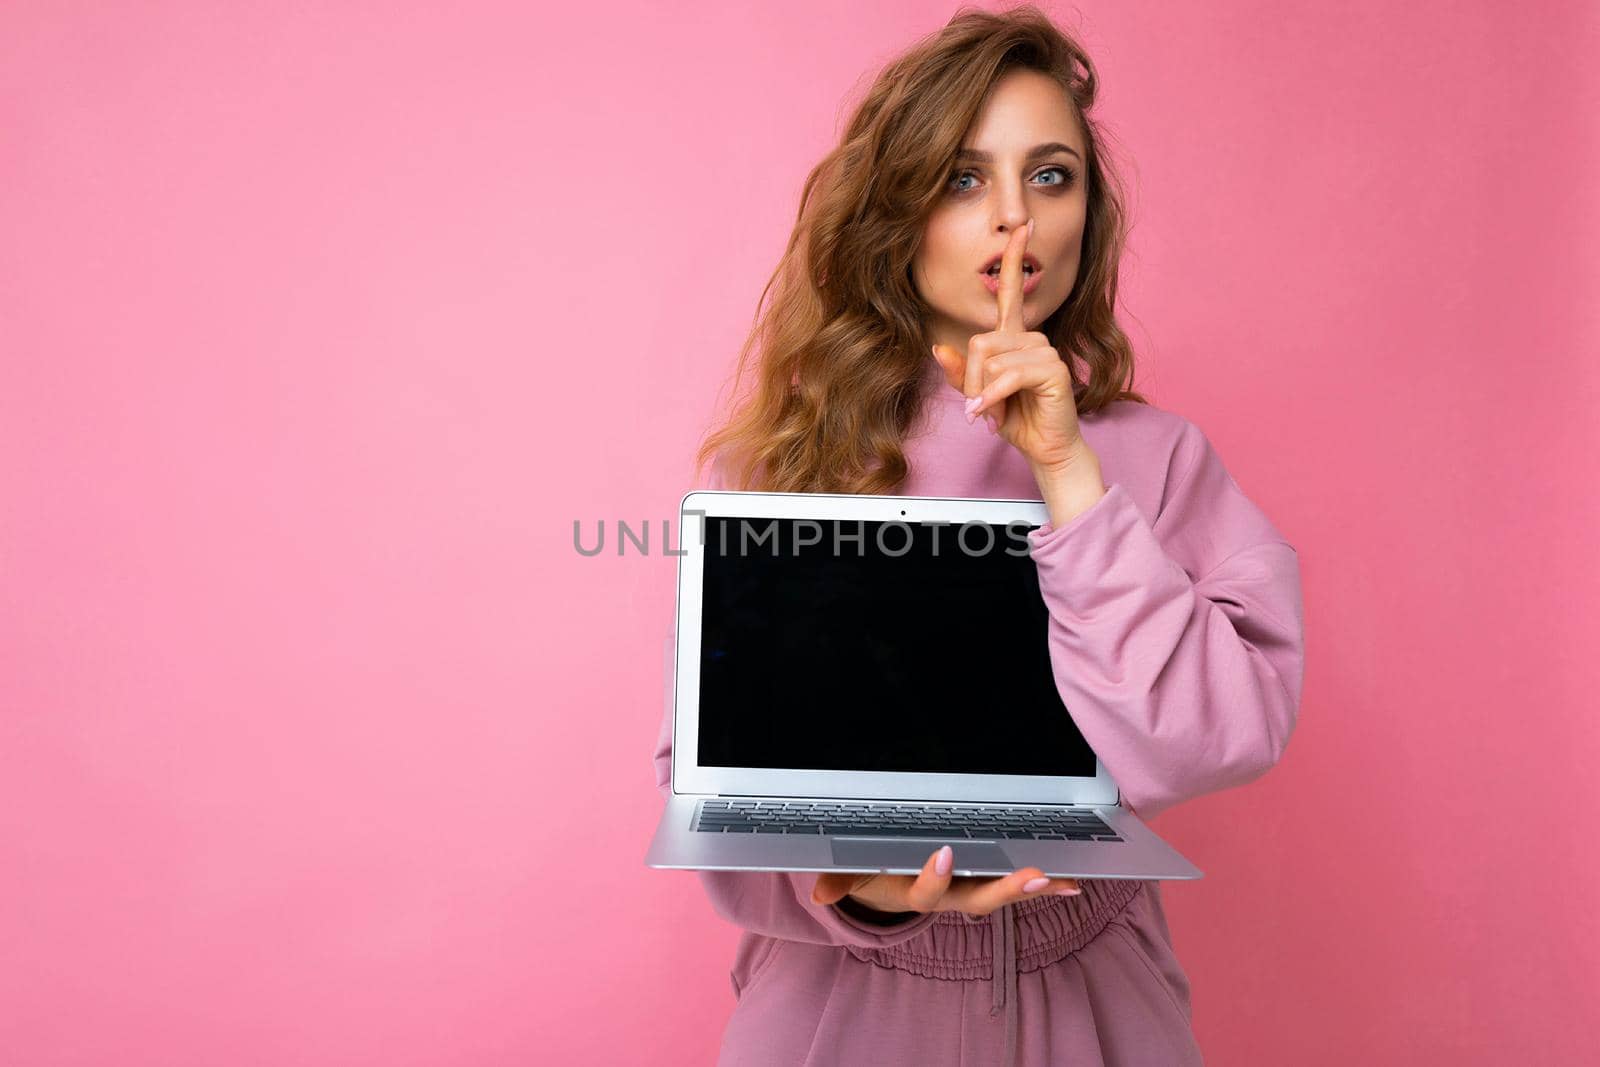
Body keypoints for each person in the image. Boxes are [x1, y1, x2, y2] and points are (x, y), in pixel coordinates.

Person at [651, 7, 1306, 1064]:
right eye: (963, 178)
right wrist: (855, 887)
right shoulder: (781, 463)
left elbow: (1205, 737)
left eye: (1050, 176)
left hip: (1097, 994)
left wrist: (1066, 471)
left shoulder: (1161, 460)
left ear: (1087, 211)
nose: (1014, 220)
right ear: (895, 211)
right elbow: (711, 787)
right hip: (840, 1005)